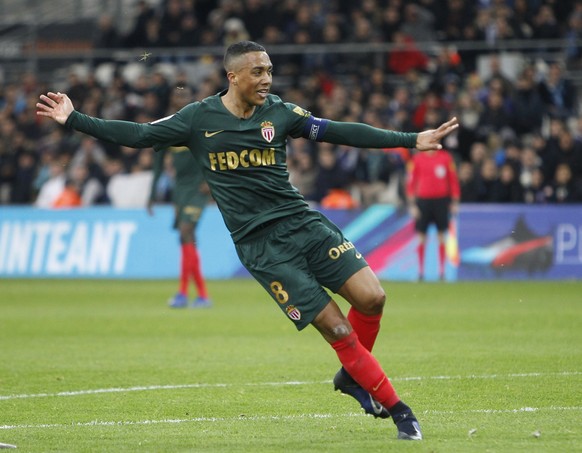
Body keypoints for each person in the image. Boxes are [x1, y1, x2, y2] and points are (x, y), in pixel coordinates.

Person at [37, 41, 458, 441]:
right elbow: (139, 135)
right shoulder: (198, 119)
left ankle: (353, 374)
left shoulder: (280, 113)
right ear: (232, 76)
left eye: (270, 71)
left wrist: (409, 140)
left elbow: (339, 131)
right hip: (262, 248)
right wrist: (74, 119)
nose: (267, 79)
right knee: (337, 329)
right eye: (258, 71)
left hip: (303, 224)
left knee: (373, 298)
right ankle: (401, 412)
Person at [148, 146, 212, 308]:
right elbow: (158, 165)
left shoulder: (196, 125)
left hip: (198, 190)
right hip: (180, 190)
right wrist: (152, 195)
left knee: (185, 231)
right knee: (186, 238)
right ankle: (201, 295)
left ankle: (184, 293)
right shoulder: (168, 133)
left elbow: (214, 148)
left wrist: (210, 181)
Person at [406, 148, 460, 281]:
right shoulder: (417, 159)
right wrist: (412, 205)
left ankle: (442, 272)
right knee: (421, 237)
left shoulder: (445, 157)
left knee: (442, 235)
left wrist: (455, 201)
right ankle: (420, 272)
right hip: (423, 201)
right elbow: (411, 182)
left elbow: (452, 180)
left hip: (441, 201)